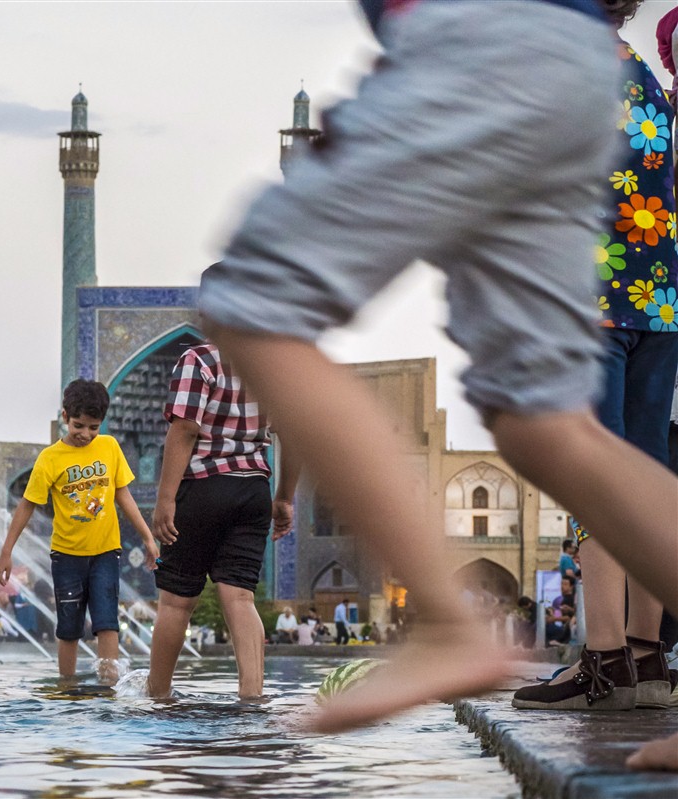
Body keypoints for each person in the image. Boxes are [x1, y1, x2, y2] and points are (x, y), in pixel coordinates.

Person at [195, 0, 678, 770]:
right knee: (545, 425)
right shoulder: (634, 72)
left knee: (253, 307)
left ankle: (449, 627)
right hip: (570, 63)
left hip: (476, 49)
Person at [513, 11, 678, 717]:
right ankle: (646, 654)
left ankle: (604, 658)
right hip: (661, 299)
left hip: (589, 300)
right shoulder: (648, 79)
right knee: (645, 476)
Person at [146, 342, 299, 699]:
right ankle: (252, 695)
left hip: (203, 486)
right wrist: (285, 499)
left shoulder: (199, 360)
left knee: (176, 601)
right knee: (241, 598)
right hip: (254, 491)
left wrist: (166, 498)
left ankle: (158, 696)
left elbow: (184, 429)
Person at [0, 379, 158, 683]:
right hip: (67, 555)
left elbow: (123, 495)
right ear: (65, 416)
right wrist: (6, 551)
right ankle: (67, 686)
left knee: (107, 620)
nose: (86, 434)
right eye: (79, 425)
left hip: (106, 552)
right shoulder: (50, 459)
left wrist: (148, 538)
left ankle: (109, 684)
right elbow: (27, 506)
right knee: (69, 625)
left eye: (94, 427)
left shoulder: (109, 447)